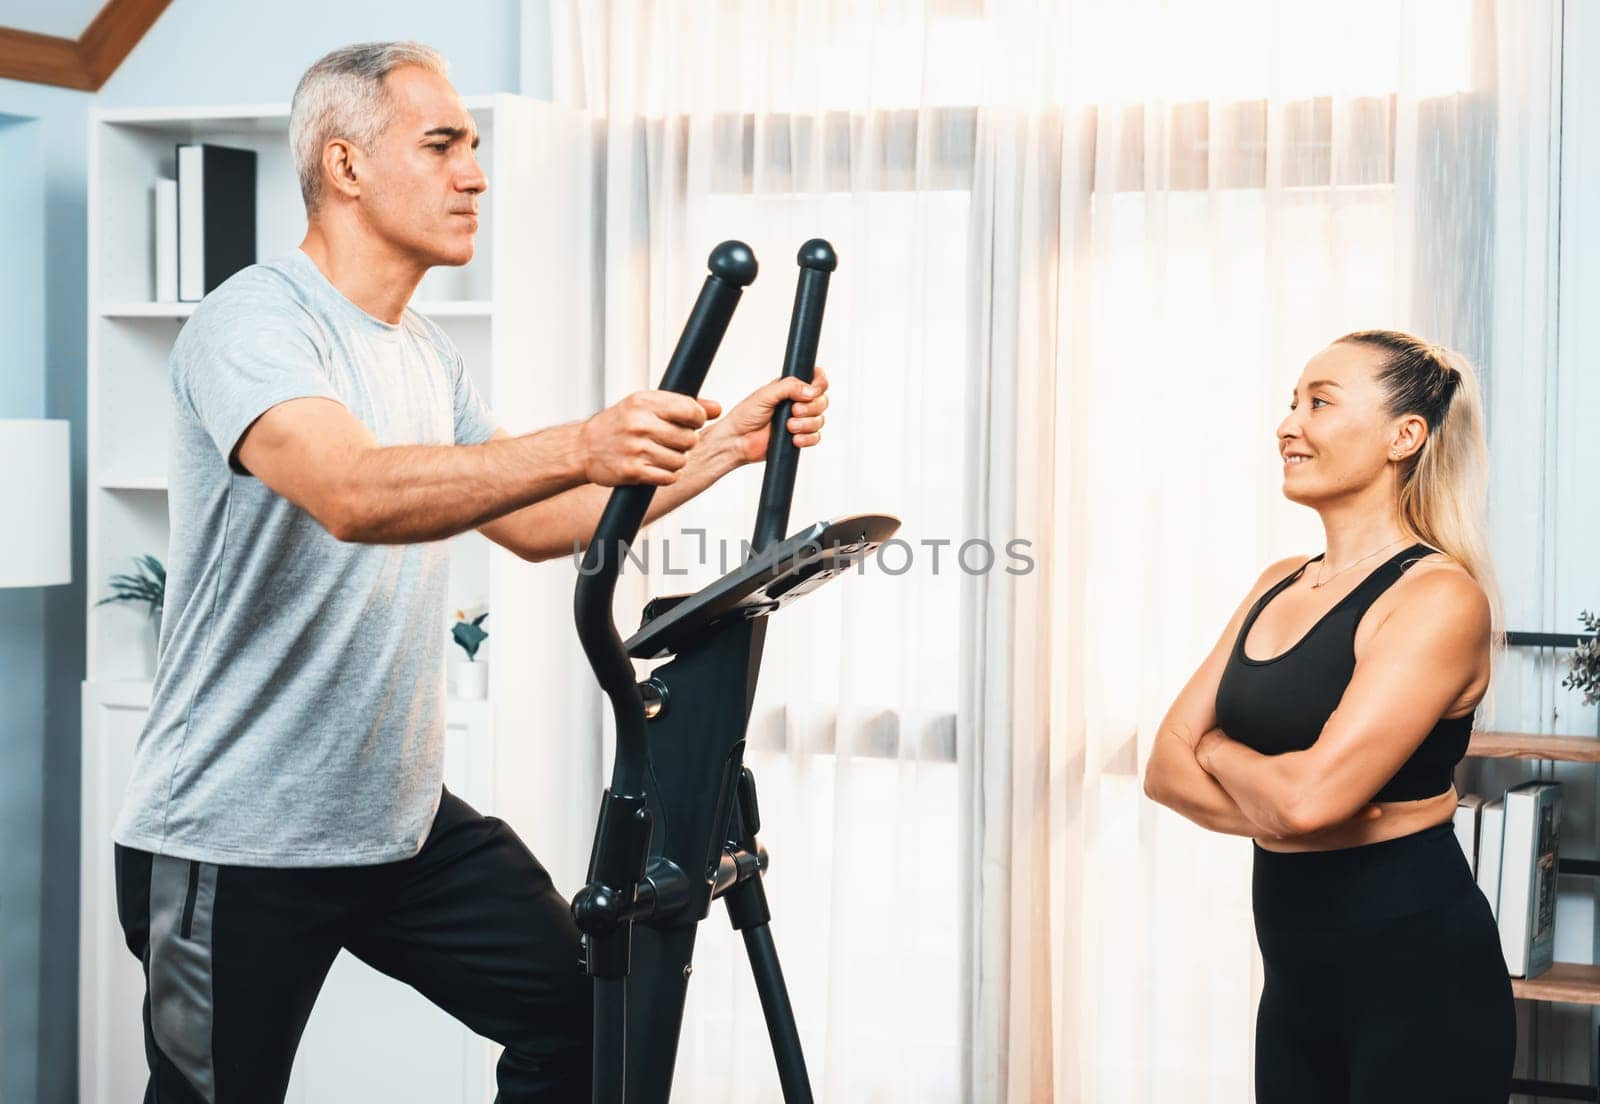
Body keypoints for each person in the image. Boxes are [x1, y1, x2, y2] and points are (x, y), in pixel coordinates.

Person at [110, 41, 830, 1103]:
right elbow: (350, 491)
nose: (475, 174)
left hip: (396, 824)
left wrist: (727, 448)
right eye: (442, 143)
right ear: (346, 164)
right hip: (236, 830)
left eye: (475, 147)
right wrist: (580, 439)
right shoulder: (256, 324)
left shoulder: (420, 349)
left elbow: (545, 522)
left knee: (583, 1017)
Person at [1143, 330, 1515, 1101]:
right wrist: (1291, 804)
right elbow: (1163, 766)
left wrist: (1221, 752)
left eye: (1320, 402)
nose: (1289, 424)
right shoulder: (1278, 581)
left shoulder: (1437, 597)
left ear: (1402, 436)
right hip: (1294, 990)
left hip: (1421, 988)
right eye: (1291, 402)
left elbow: (1304, 801)